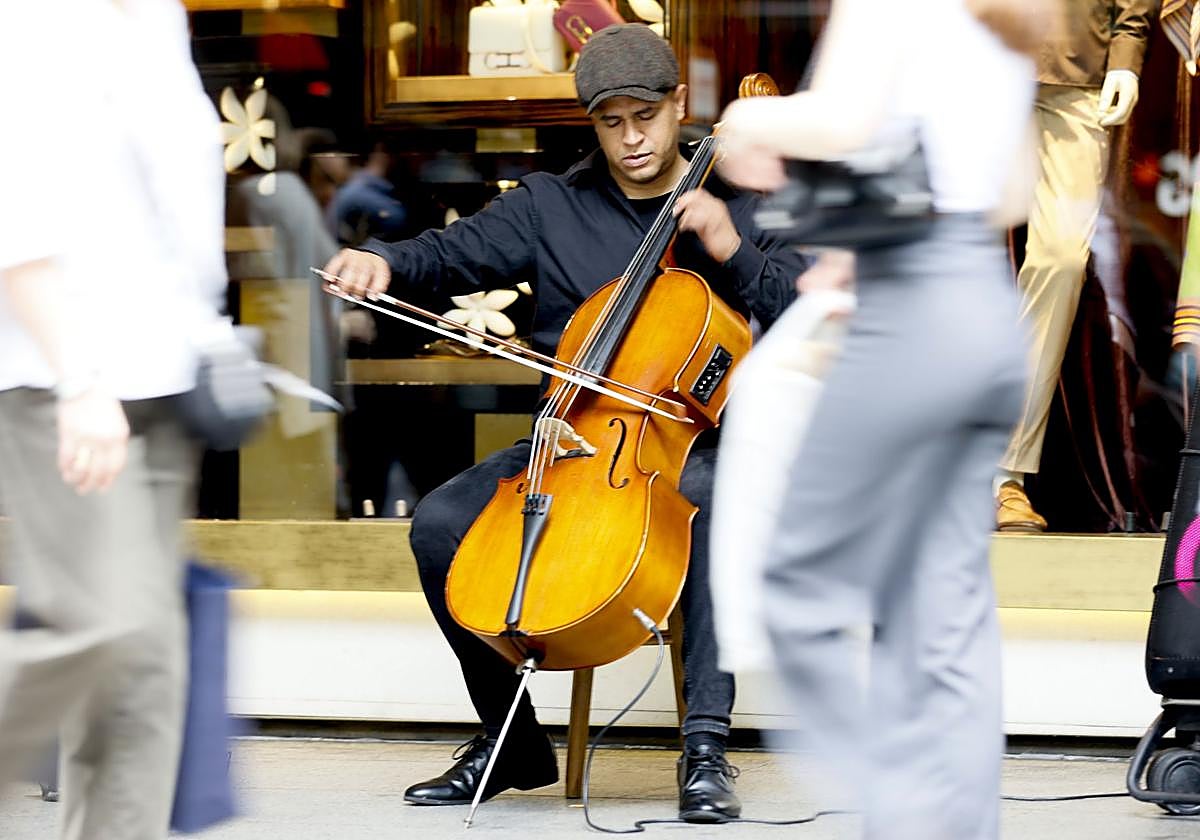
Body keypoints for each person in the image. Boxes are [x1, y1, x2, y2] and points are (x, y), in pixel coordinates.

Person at [324, 23, 807, 823]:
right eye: (611, 122)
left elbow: (803, 314)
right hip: (577, 436)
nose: (631, 140)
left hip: (703, 440)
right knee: (440, 524)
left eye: (645, 117)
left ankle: (706, 747)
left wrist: (731, 248)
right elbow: (451, 253)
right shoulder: (552, 204)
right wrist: (386, 262)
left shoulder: (743, 206)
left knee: (720, 502)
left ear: (679, 105)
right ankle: (510, 740)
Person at [715, 0, 1049, 837]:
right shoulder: (1005, 17)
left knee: (798, 588)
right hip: (980, 310)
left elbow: (846, 119)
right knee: (942, 619)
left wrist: (745, 117)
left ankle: (901, 816)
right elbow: (1011, 195)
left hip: (908, 315)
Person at [0, 3, 228, 838]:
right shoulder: (30, 20)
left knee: (144, 679)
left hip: (162, 381)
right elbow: (14, 212)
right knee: (106, 629)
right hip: (62, 376)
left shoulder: (155, 17)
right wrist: (77, 378)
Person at [994, 0, 1155, 532]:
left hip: (1074, 60)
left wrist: (1126, 54)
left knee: (1062, 259)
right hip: (972, 62)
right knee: (932, 252)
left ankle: (1002, 472)